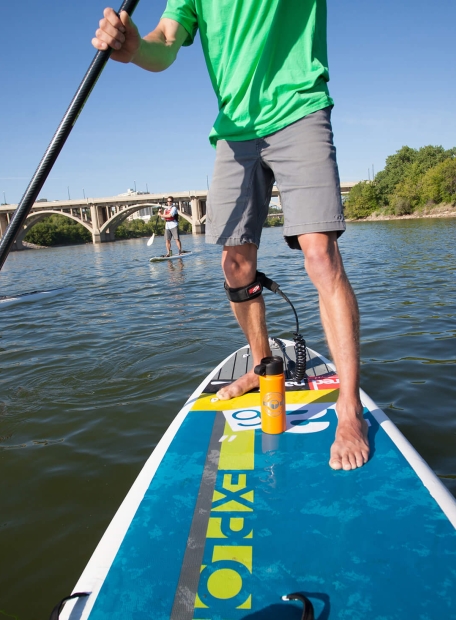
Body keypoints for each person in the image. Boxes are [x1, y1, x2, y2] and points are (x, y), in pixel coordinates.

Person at [92, 1, 370, 471]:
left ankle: (350, 407)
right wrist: (135, 45)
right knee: (235, 266)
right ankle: (264, 371)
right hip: (234, 130)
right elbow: (165, 43)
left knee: (320, 256)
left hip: (299, 108)